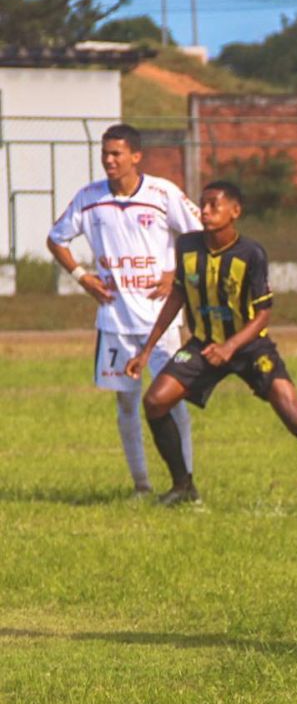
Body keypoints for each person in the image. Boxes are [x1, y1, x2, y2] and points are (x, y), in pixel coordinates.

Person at [125, 179, 297, 509]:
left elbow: (263, 315)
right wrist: (147, 350)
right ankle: (183, 486)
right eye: (202, 205)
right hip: (204, 345)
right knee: (156, 401)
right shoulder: (188, 246)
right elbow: (177, 295)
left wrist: (231, 347)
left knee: (292, 412)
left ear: (235, 211)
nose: (204, 211)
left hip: (249, 347)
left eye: (213, 205)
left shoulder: (251, 253)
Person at [47, 123, 199, 495]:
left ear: (136, 155)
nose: (109, 160)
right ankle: (142, 485)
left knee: (172, 402)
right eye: (105, 153)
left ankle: (185, 482)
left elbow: (198, 235)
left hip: (160, 321)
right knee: (127, 405)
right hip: (115, 320)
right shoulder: (89, 197)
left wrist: (174, 273)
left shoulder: (163, 193)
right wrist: (82, 276)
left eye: (116, 154)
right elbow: (56, 238)